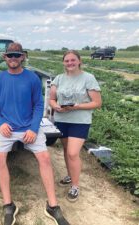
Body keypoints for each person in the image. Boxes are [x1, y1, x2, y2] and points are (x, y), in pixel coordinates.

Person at [0, 42, 70, 225]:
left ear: (23, 56)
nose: (13, 58)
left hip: (28, 128)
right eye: (10, 55)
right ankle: (9, 205)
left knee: (45, 159)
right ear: (5, 58)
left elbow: (39, 105)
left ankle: (53, 205)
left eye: (17, 55)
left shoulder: (32, 78)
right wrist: (0, 124)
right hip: (6, 129)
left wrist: (33, 128)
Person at [49, 50, 102, 202]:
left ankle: (75, 185)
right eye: (67, 61)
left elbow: (97, 103)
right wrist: (56, 106)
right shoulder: (59, 79)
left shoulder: (88, 78)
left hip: (80, 120)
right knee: (66, 151)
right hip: (62, 119)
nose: (70, 63)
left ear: (79, 61)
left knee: (73, 153)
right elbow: (52, 99)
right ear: (63, 63)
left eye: (73, 60)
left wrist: (77, 106)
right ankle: (70, 175)